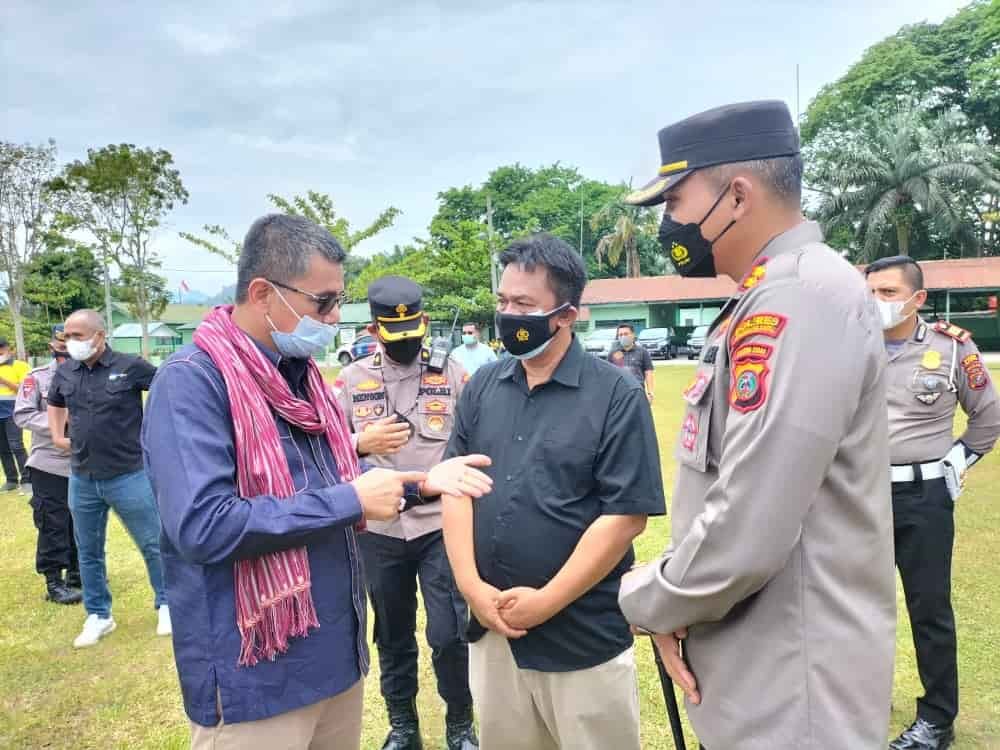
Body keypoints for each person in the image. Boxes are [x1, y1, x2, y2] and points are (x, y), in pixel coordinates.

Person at [142, 214, 490, 750]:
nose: (332, 319)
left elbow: (340, 479)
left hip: (333, 660)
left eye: (338, 302)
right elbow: (203, 526)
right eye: (322, 303)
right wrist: (349, 501)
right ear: (263, 293)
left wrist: (423, 485)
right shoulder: (193, 383)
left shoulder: (302, 379)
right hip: (256, 677)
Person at [617, 101, 896, 750]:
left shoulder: (797, 297)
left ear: (737, 196)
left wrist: (648, 597)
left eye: (676, 201)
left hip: (791, 687)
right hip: (760, 662)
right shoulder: (769, 294)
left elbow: (749, 524)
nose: (669, 225)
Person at [442, 233, 666, 750]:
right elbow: (456, 487)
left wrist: (548, 601)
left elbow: (625, 516)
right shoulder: (482, 386)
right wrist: (472, 588)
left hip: (581, 635)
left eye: (524, 304)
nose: (508, 314)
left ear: (566, 314)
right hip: (492, 628)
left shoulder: (616, 396)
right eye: (502, 301)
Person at [334, 276, 477, 750]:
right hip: (379, 528)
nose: (406, 344)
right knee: (392, 634)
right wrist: (359, 441)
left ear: (425, 323)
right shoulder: (353, 380)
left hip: (439, 524)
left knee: (449, 633)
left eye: (413, 333)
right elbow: (330, 451)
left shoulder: (451, 372)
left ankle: (460, 724)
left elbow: (475, 440)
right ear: (375, 330)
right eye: (393, 336)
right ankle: (404, 726)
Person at [866, 256, 1000, 750]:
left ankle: (937, 718)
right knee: (858, 604)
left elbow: (987, 419)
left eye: (887, 292)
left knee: (929, 609)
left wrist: (958, 462)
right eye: (871, 292)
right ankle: (861, 696)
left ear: (917, 299)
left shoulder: (950, 348)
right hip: (860, 498)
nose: (876, 302)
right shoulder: (850, 345)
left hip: (923, 497)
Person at [46, 309, 170, 648]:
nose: (71, 343)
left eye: (78, 336)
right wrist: (57, 435)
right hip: (82, 477)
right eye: (67, 337)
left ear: (100, 336)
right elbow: (55, 402)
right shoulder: (65, 371)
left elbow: (168, 390)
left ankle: (167, 602)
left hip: (129, 474)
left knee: (153, 542)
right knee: (88, 550)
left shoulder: (130, 367)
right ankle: (99, 615)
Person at [13, 325, 81, 605]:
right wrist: (60, 425)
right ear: (53, 345)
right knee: (53, 523)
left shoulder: (93, 375)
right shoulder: (37, 378)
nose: (65, 348)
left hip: (86, 463)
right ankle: (54, 581)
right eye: (61, 343)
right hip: (50, 464)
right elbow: (23, 415)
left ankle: (79, 574)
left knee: (84, 522)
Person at [0, 336, 31, 492]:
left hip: (13, 412)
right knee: (2, 448)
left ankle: (27, 480)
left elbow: (25, 390)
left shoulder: (20, 366)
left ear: (8, 349)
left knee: (16, 446)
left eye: (1, 349)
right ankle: (11, 480)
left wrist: (3, 380)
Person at [607, 323, 654, 400]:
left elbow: (648, 372)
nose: (623, 337)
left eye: (626, 334)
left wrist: (650, 393)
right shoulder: (612, 353)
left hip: (638, 393)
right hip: (619, 394)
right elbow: (608, 374)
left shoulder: (642, 352)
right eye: (620, 335)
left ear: (633, 335)